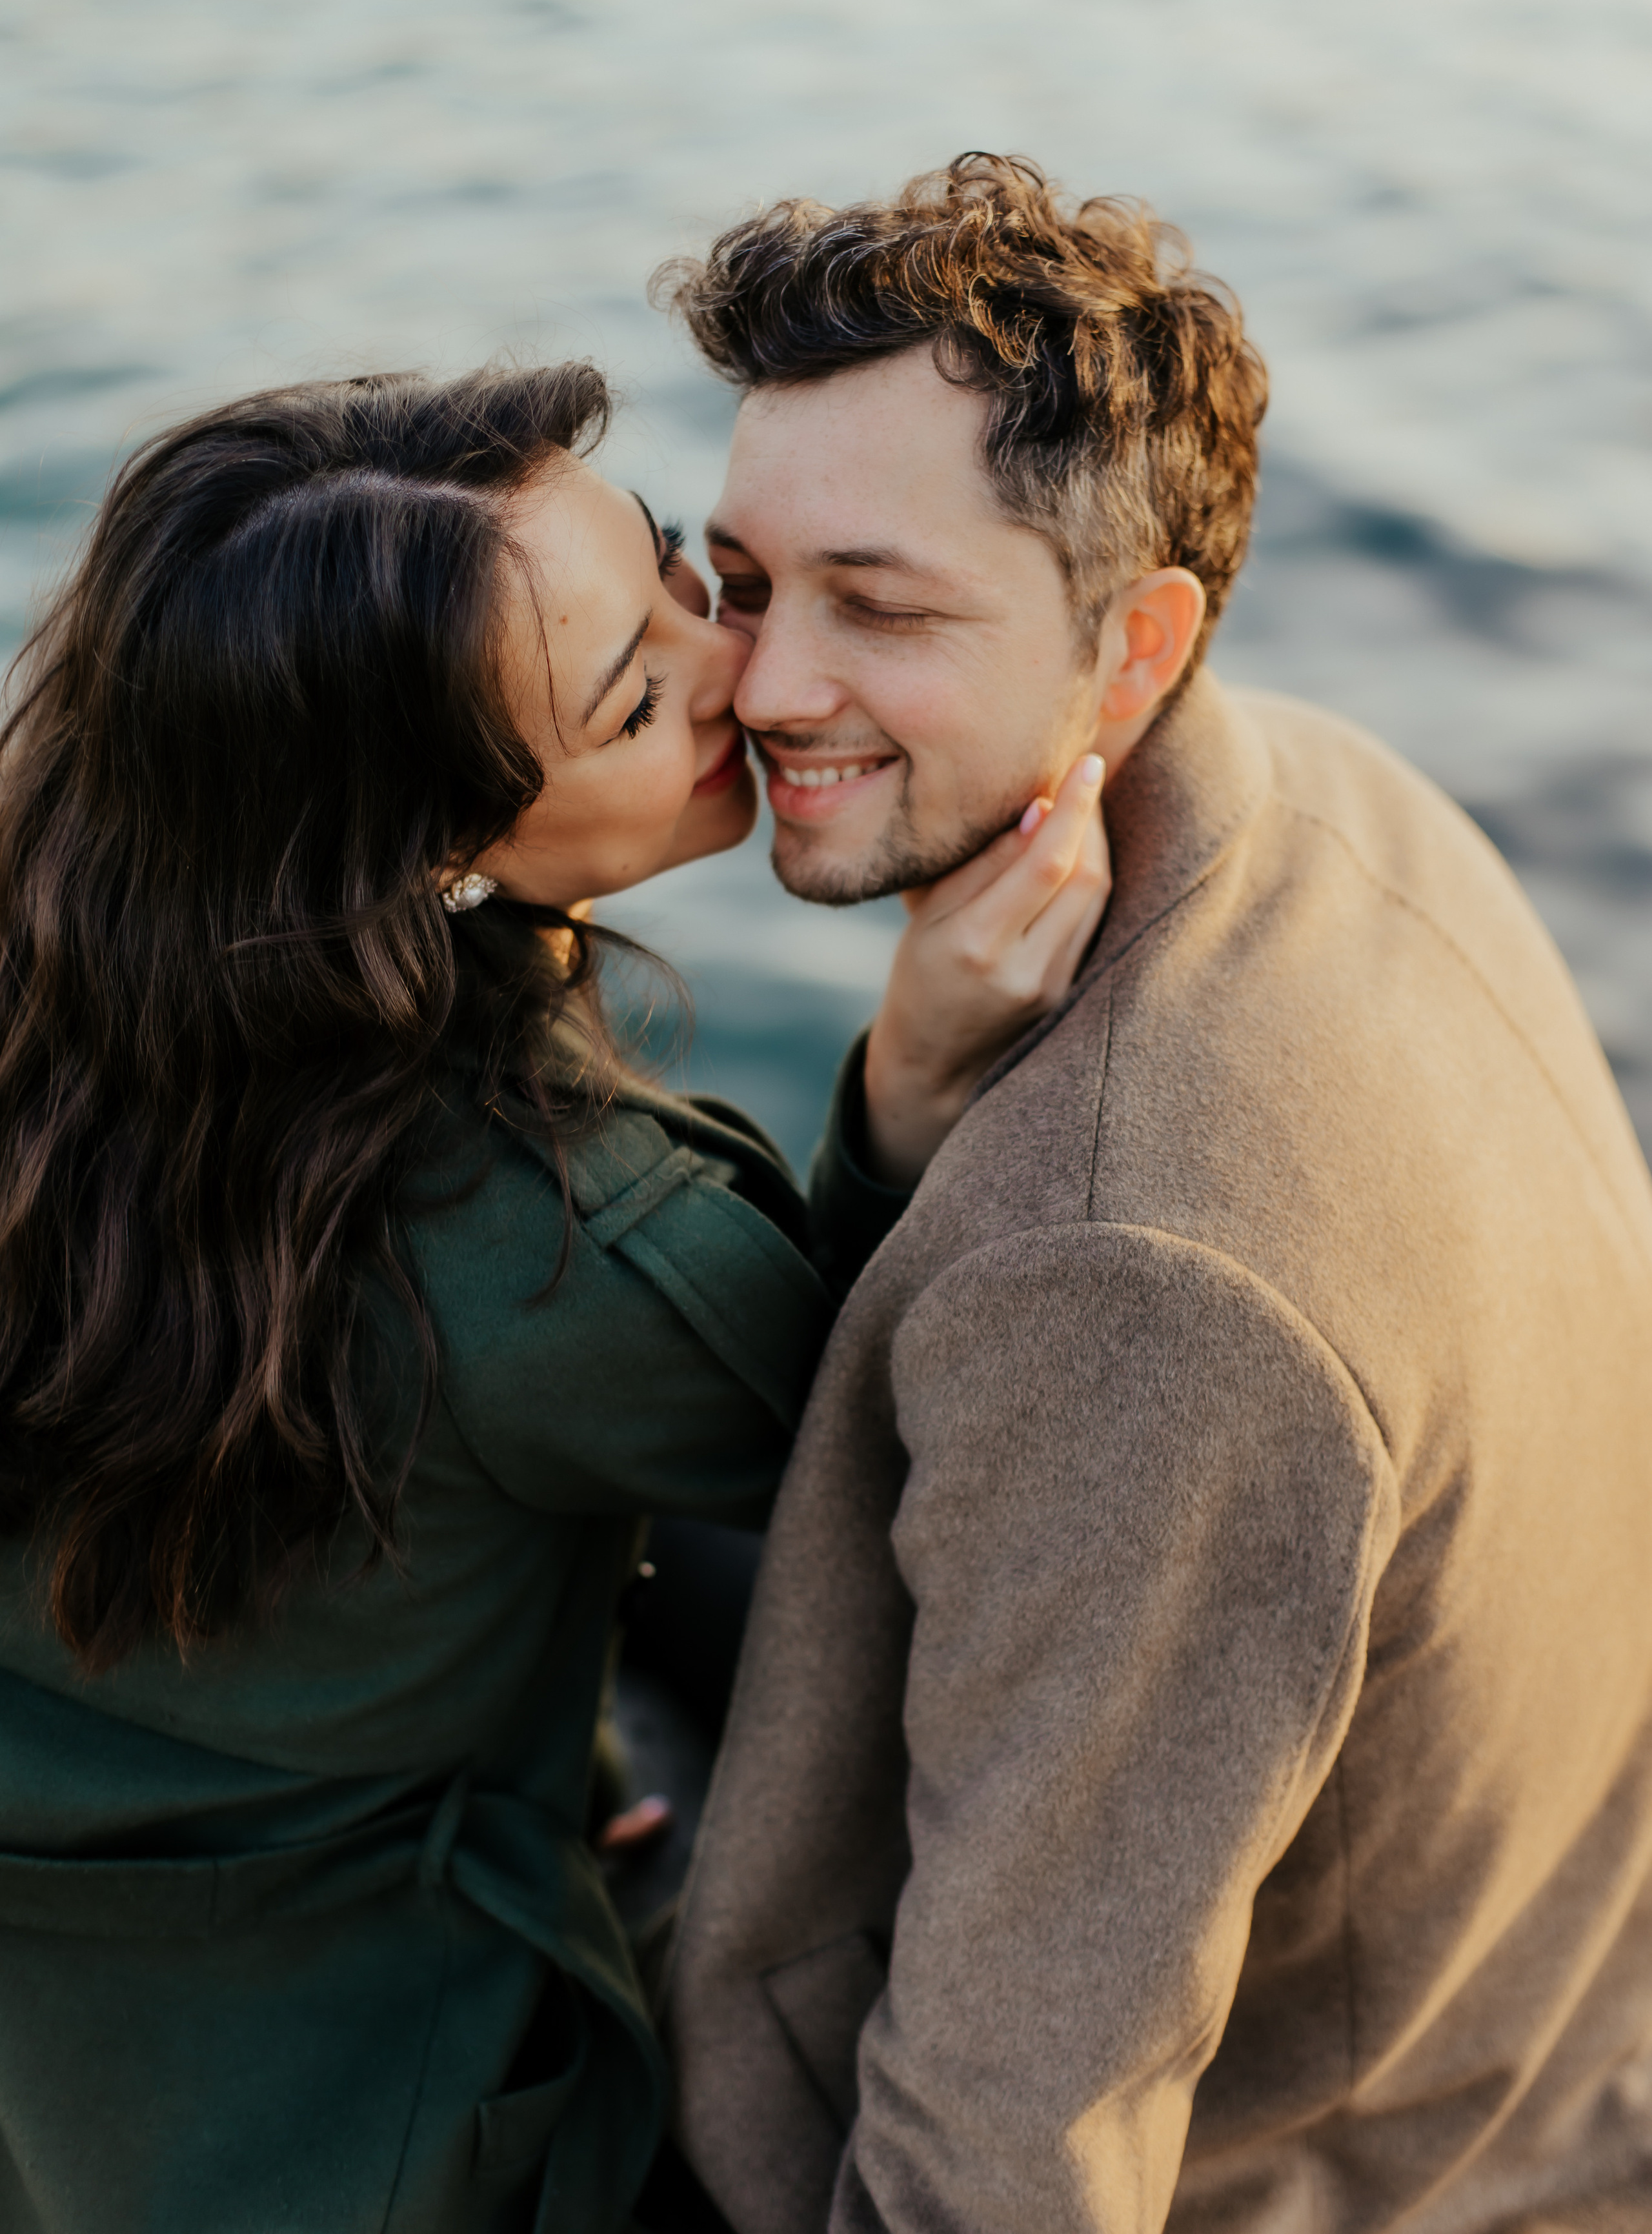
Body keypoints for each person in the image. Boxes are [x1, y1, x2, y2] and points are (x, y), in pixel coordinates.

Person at [0, 361, 1109, 2234]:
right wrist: (900, 1106)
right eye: (636, 699)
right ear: (429, 860)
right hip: (338, 2121)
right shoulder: (583, 1254)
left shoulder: (95, 958)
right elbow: (863, 1450)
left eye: (678, 572)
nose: (739, 668)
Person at [658, 156, 1652, 2234]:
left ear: (1135, 650)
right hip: (1536, 2028)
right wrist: (911, 1098)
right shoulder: (1336, 790)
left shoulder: (1134, 1280)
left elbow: (1006, 2167)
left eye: (884, 605)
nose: (758, 686)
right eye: (741, 578)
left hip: (1333, 2171)